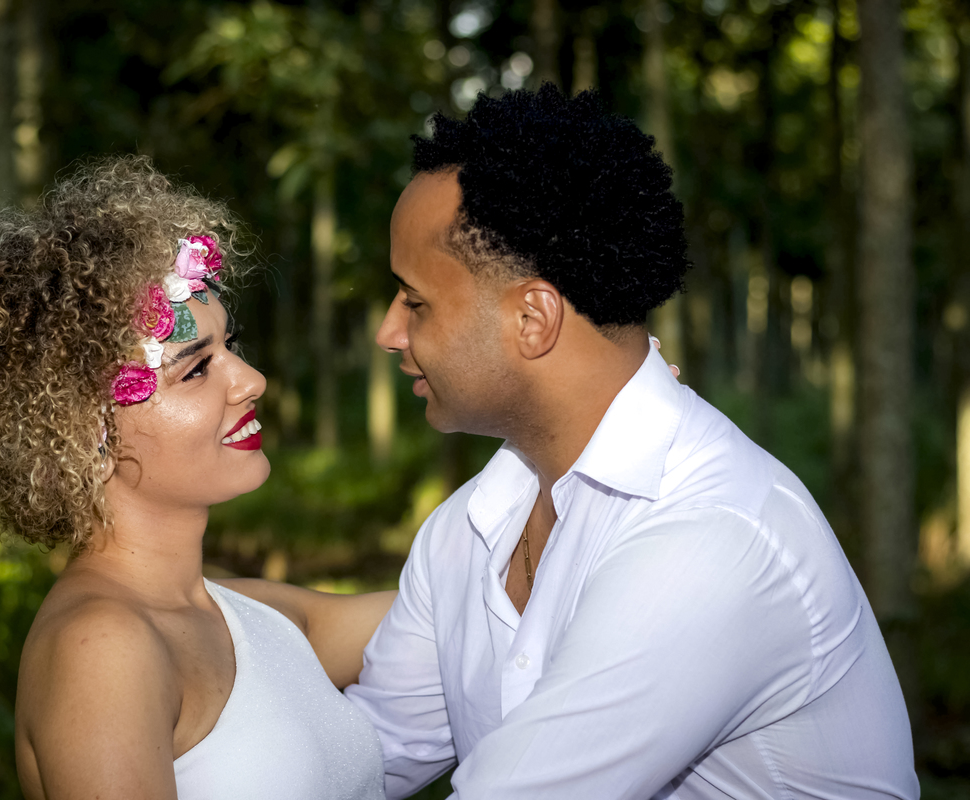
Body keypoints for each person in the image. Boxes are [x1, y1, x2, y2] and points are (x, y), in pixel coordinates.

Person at [344, 86, 920, 799]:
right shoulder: (468, 528)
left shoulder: (711, 538)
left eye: (415, 301)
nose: (388, 333)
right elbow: (363, 759)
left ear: (533, 318)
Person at [0, 156, 392, 800]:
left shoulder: (257, 615)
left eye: (231, 346)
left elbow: (456, 604)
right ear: (81, 433)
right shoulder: (100, 647)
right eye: (195, 369)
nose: (252, 381)